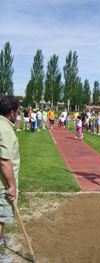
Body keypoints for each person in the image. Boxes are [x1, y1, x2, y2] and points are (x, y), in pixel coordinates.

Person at [0, 95, 20, 263]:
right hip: (2, 183)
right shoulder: (4, 129)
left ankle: (1, 239)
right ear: (12, 112)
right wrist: (11, 186)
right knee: (0, 217)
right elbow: (5, 160)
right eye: (17, 111)